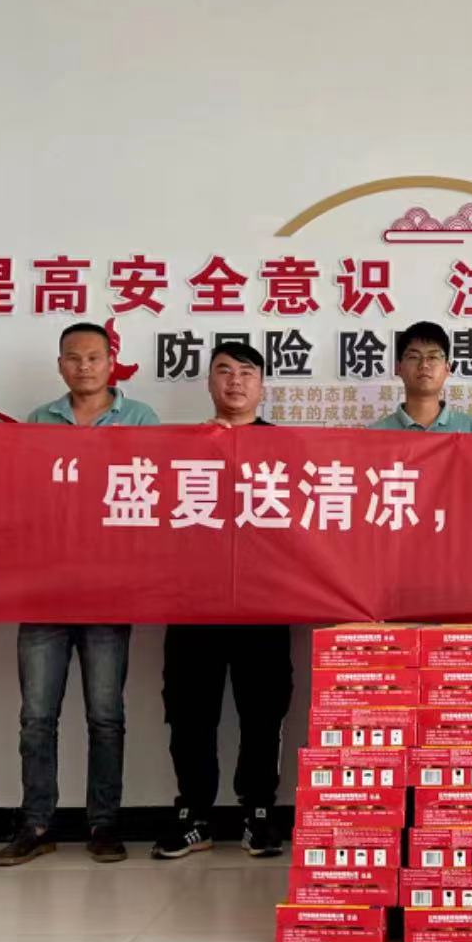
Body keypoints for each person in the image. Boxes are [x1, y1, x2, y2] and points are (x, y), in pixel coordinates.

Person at [0, 322, 160, 867]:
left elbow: (157, 496)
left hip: (110, 590)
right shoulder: (39, 420)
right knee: (37, 717)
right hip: (44, 589)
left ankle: (104, 824)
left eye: (94, 357)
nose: (84, 366)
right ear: (60, 364)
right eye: (73, 357)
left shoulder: (141, 419)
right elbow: (20, 498)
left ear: (112, 362)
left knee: (105, 716)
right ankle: (36, 823)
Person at [154, 342, 294, 859]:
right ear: (209, 382)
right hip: (194, 601)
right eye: (224, 371)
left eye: (247, 373)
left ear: (262, 386)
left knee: (264, 712)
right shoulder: (183, 445)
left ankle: (259, 813)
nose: (235, 381)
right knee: (189, 712)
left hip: (264, 602)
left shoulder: (287, 447)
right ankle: (194, 814)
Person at [368, 321, 472, 432]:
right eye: (414, 357)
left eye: (433, 357)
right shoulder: (376, 434)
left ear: (447, 368)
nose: (424, 365)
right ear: (399, 368)